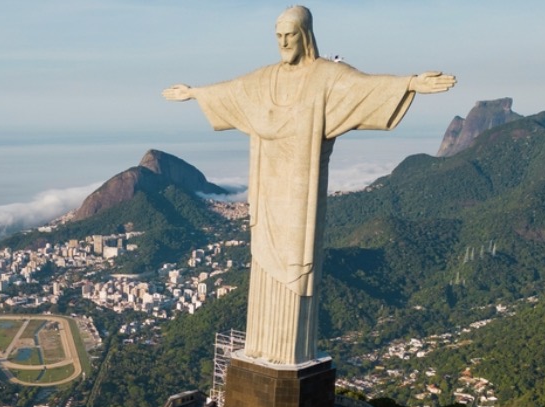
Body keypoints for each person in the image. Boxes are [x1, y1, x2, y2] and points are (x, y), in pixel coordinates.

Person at [164, 6, 454, 366]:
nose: (284, 43)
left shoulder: (327, 77)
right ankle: (261, 349)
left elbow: (365, 87)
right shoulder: (264, 78)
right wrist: (195, 92)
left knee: (296, 270)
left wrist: (410, 83)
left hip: (301, 196)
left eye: (291, 36)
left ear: (306, 36)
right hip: (267, 191)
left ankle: (291, 354)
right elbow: (234, 91)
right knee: (264, 268)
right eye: (279, 37)